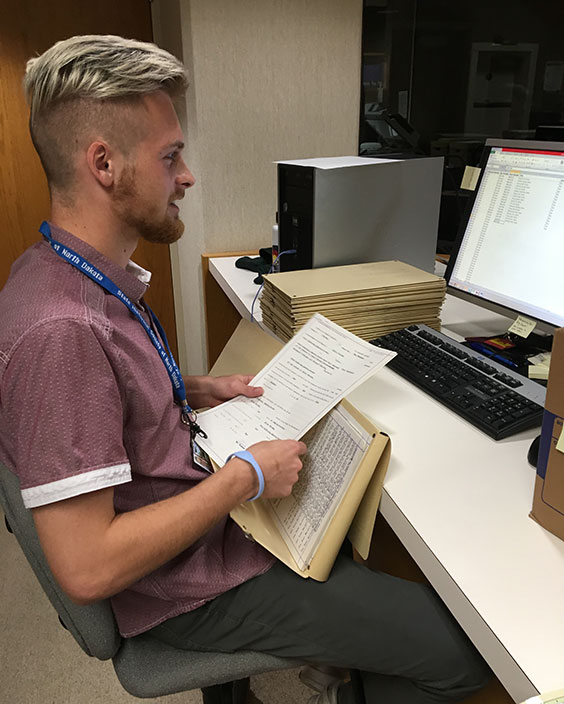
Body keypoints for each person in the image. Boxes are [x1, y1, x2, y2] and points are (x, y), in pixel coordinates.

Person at [0, 35, 490, 704]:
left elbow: (102, 398)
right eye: (170, 157)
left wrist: (185, 389)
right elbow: (87, 570)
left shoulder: (54, 274)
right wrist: (245, 478)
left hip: (191, 523)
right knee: (458, 652)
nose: (187, 176)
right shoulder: (64, 331)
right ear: (104, 163)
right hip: (183, 586)